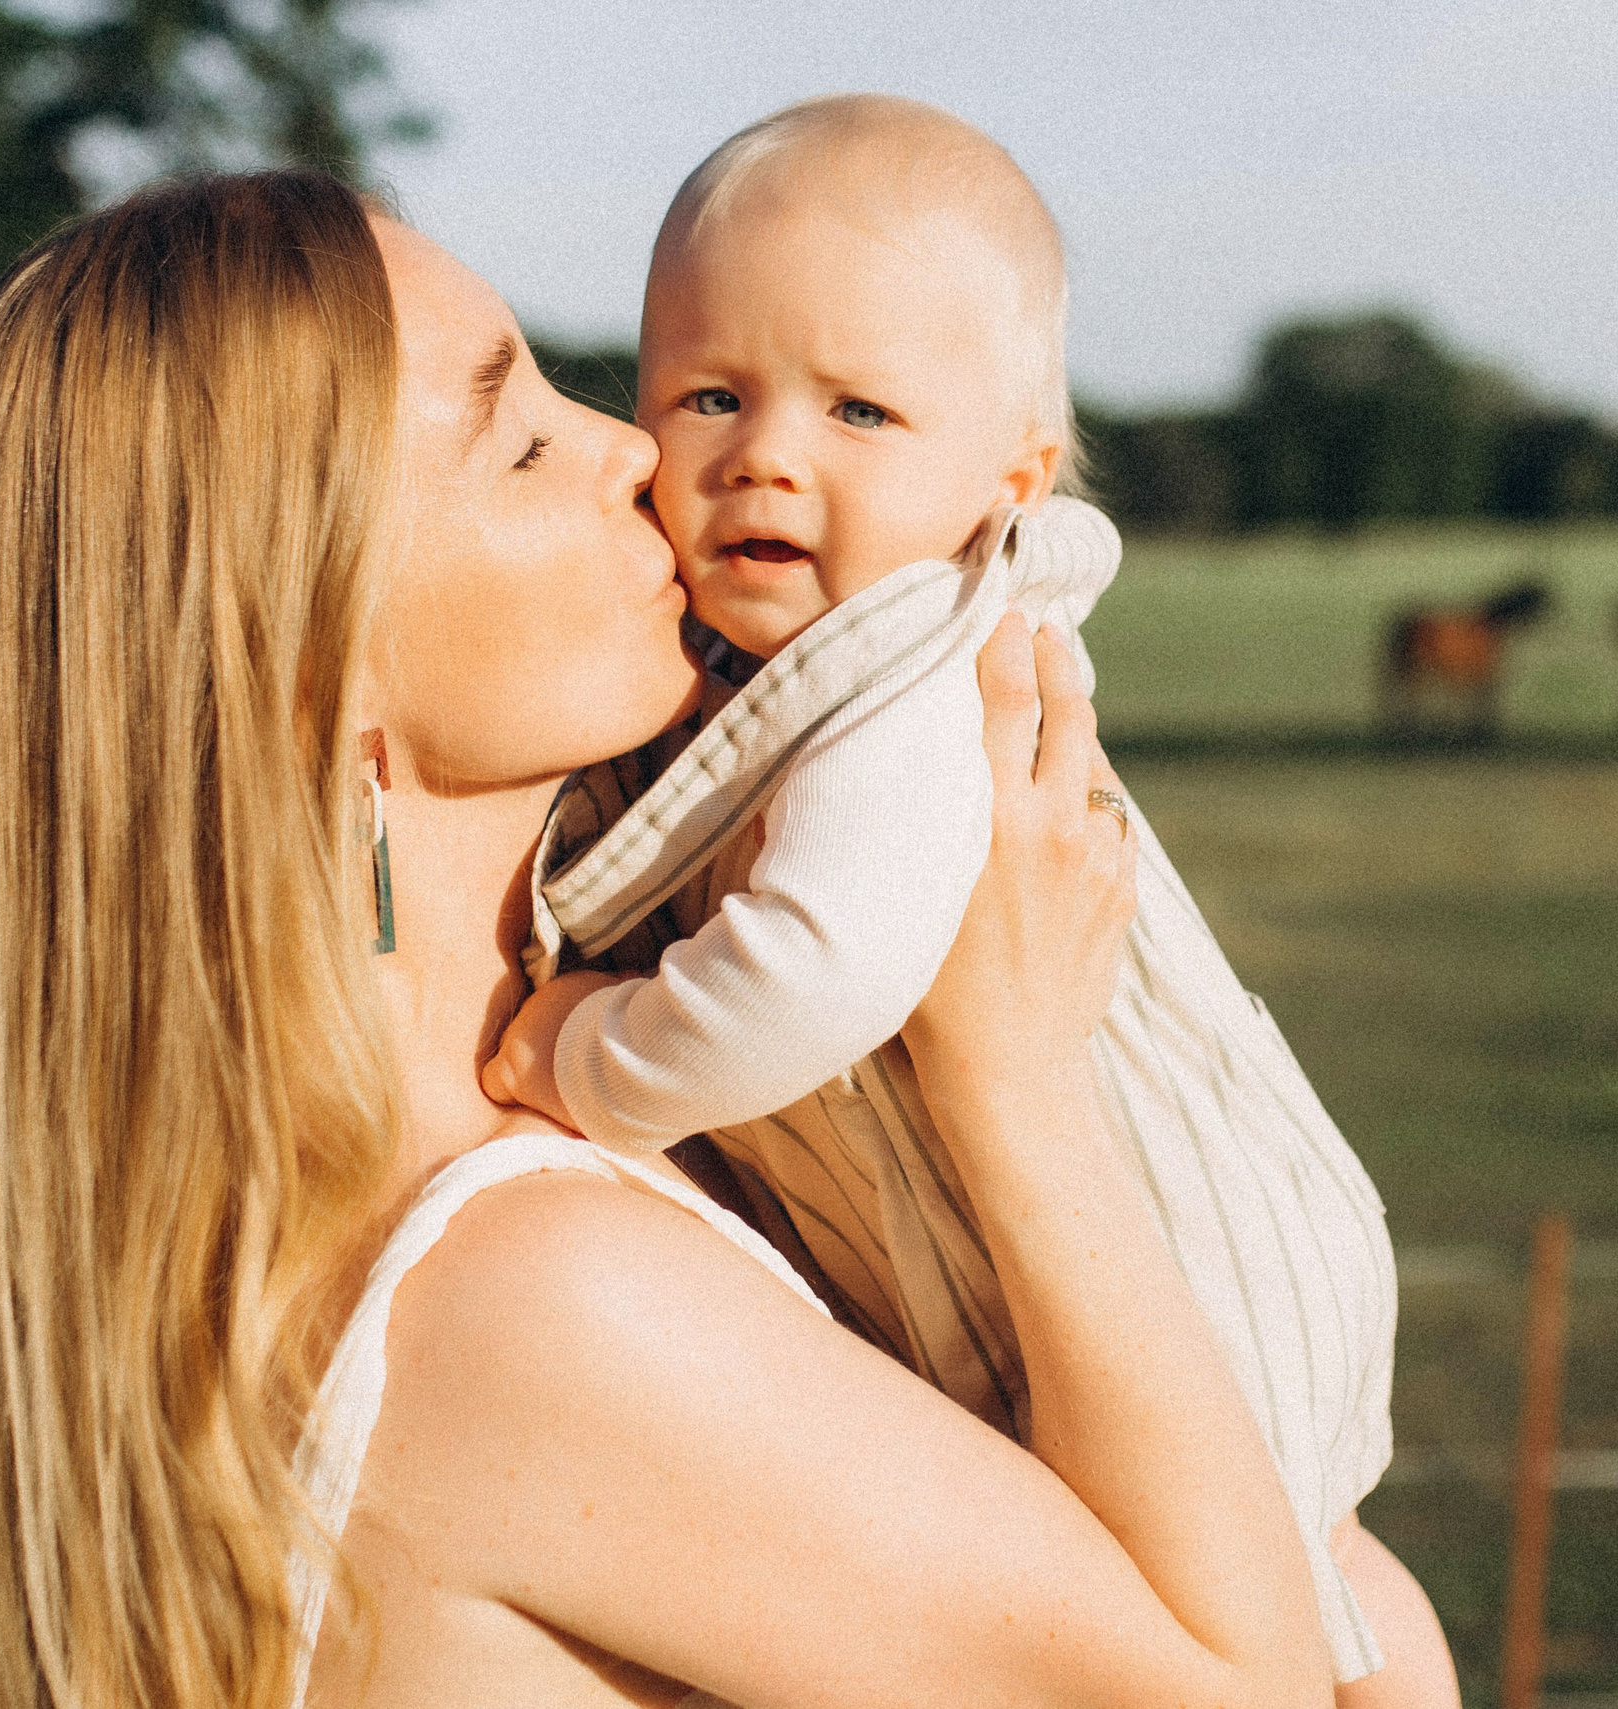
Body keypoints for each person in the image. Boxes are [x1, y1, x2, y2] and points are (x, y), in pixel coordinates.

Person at [0, 167, 1335, 1709]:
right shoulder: (531, 1294)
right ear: (311, 681)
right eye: (522, 439)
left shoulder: (268, 1247)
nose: (642, 452)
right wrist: (1015, 1081)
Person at [477, 95, 1452, 1701]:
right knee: (1341, 1604)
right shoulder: (760, 679)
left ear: (1013, 471)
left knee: (1273, 1602)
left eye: (859, 411)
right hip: (1103, 1278)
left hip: (1163, 1270)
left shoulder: (908, 680)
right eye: (711, 394)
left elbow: (820, 970)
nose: (767, 453)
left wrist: (582, 1053)